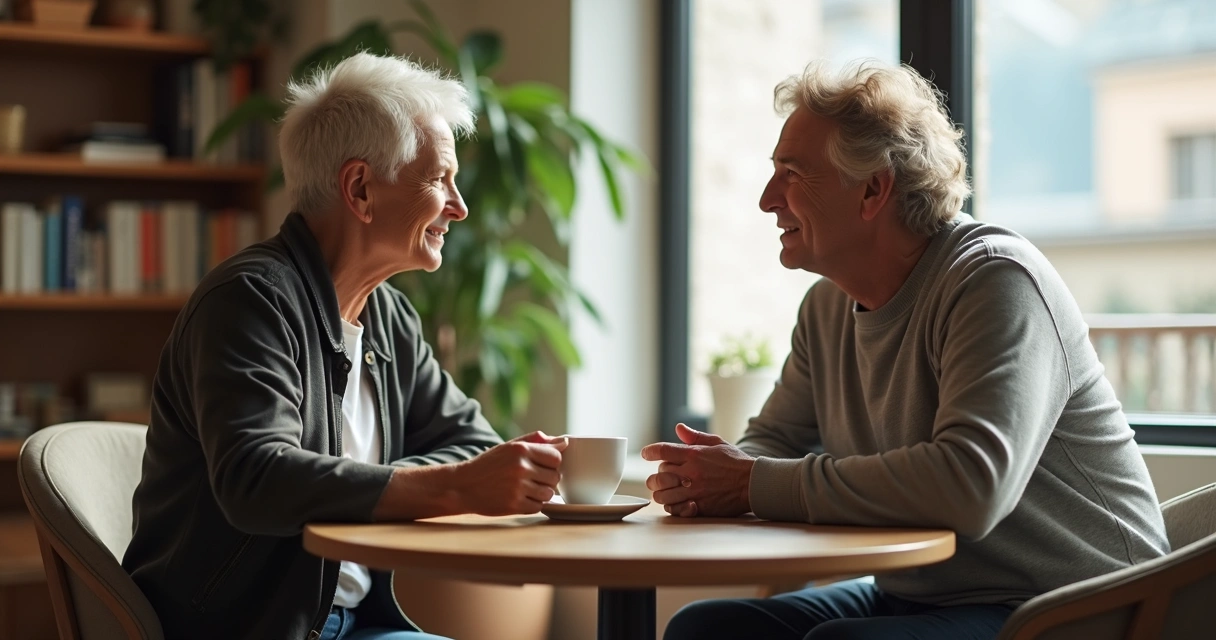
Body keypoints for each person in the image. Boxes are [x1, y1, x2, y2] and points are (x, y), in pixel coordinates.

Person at [644, 60, 1169, 640]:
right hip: (920, 596)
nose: (769, 199)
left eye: (793, 173)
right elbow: (773, 443)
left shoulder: (994, 281)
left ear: (873, 189)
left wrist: (750, 483)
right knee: (709, 630)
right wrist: (712, 476)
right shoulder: (826, 309)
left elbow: (971, 486)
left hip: (1078, 606)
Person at [122, 53, 568, 640]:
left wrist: (400, 478)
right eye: (439, 179)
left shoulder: (387, 316)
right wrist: (454, 484)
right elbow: (256, 479)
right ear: (360, 189)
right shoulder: (250, 301)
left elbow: (471, 440)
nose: (459, 206)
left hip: (355, 623)